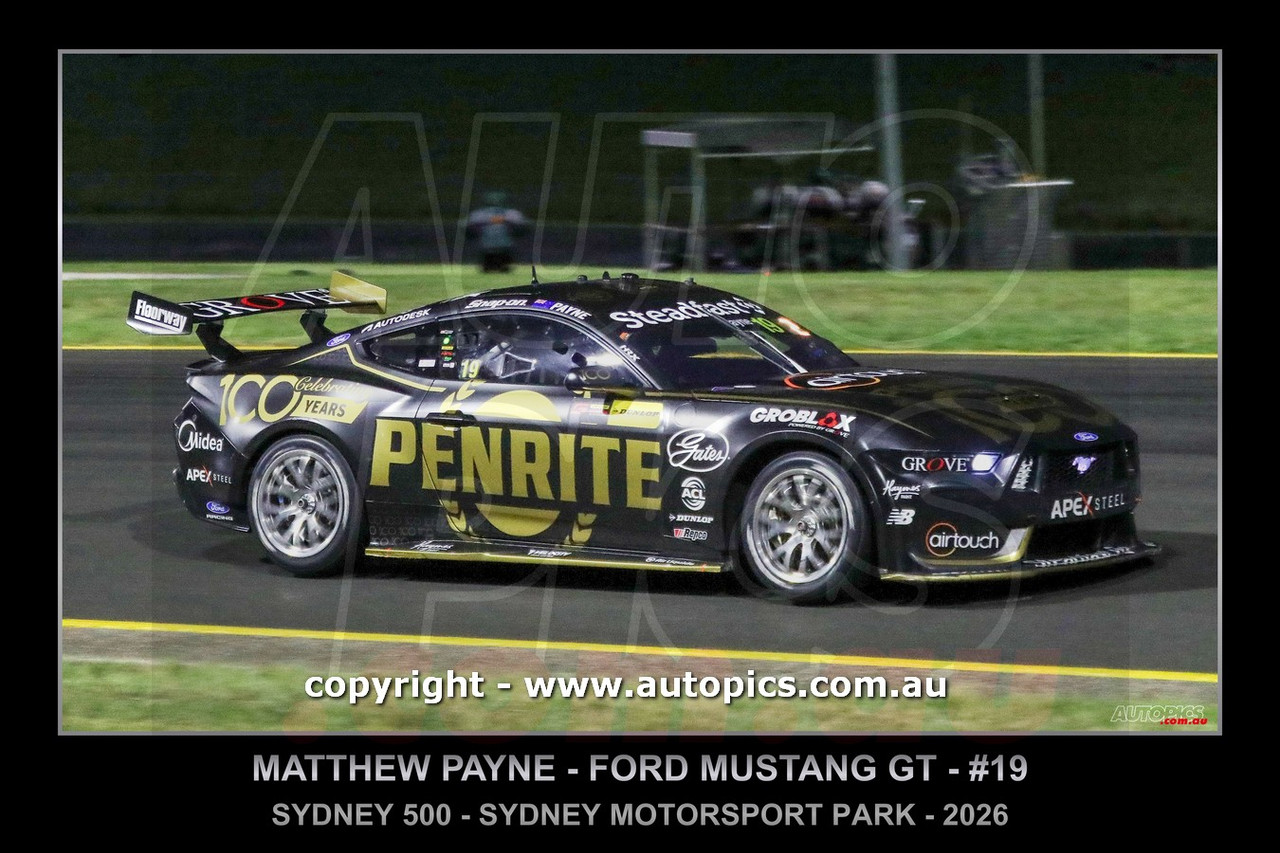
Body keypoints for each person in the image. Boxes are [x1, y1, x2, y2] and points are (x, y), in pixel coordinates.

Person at [466, 191, 528, 272]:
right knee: (488, 268)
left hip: (505, 248)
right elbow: (470, 229)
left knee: (504, 268)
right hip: (486, 248)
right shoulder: (479, 214)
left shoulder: (511, 214)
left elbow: (521, 228)